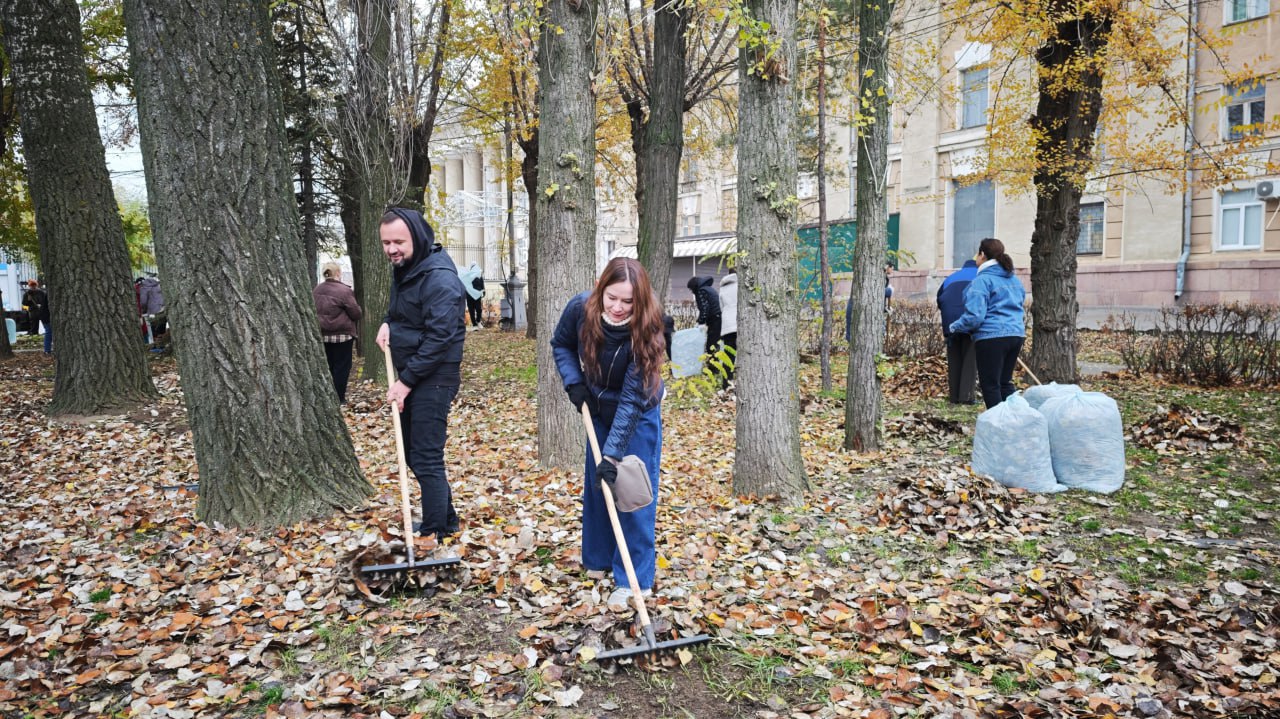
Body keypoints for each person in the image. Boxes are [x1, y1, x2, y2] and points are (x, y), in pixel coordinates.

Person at [552, 257, 666, 609]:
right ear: (601, 291)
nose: (617, 308)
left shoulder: (649, 329)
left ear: (640, 301)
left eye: (627, 301)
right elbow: (561, 344)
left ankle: (634, 579)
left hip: (638, 412)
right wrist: (575, 384)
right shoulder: (581, 309)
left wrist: (614, 454)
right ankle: (598, 560)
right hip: (597, 407)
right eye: (611, 298)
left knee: (630, 490)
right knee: (598, 484)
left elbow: (633, 401)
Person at [375, 208, 467, 548]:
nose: (392, 249)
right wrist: (387, 322)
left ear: (417, 236)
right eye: (386, 242)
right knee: (415, 454)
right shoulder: (408, 268)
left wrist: (405, 382)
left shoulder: (439, 278)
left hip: (434, 376)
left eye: (398, 241)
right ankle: (446, 520)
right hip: (415, 372)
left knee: (425, 455)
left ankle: (432, 533)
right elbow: (401, 310)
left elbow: (439, 338)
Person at [948, 238, 1027, 409]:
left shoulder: (981, 281)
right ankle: (1017, 420)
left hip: (992, 337)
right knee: (1005, 382)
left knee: (991, 385)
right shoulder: (1013, 279)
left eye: (977, 253)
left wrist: (954, 327)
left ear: (982, 255)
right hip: (1016, 335)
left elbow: (974, 316)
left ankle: (999, 425)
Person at [314, 262, 363, 404]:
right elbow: (355, 313)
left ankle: (326, 398)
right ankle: (339, 398)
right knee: (342, 367)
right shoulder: (344, 291)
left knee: (328, 366)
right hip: (342, 336)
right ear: (338, 273)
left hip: (323, 335)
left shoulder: (316, 290)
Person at [937, 258, 980, 405]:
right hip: (971, 322)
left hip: (950, 323)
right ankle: (966, 397)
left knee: (954, 358)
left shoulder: (951, 278)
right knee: (970, 358)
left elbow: (939, 299)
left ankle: (954, 397)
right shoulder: (981, 276)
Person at [686, 275, 721, 357]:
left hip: (714, 319)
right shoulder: (707, 288)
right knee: (715, 342)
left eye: (691, 289)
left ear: (694, 286)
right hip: (718, 317)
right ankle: (714, 364)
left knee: (711, 344)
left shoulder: (701, 291)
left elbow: (705, 308)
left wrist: (701, 322)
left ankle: (713, 368)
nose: (691, 291)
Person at [718, 269, 738, 386]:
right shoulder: (740, 285)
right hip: (739, 322)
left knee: (728, 355)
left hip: (726, 324)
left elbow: (721, 307)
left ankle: (726, 382)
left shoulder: (723, 288)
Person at [22, 280, 50, 354]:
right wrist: (28, 300)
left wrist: (41, 305)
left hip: (41, 310)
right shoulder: (28, 293)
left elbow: (45, 300)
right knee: (34, 323)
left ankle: (42, 334)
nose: (33, 287)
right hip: (33, 310)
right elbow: (24, 303)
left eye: (34, 285)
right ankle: (34, 335)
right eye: (31, 286)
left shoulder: (41, 292)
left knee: (45, 324)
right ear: (29, 286)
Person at [459, 262, 485, 331]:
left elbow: (482, 282)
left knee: (478, 308)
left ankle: (478, 321)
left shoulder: (479, 275)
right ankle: (474, 324)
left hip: (477, 294)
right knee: (471, 310)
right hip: (469, 295)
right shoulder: (468, 275)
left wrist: (483, 290)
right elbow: (465, 283)